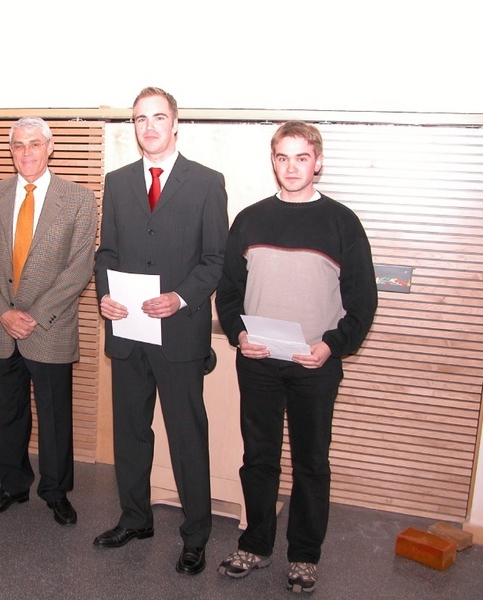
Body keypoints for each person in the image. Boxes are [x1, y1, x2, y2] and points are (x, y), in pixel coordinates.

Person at [215, 121, 377, 593]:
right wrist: (240, 335)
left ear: (317, 162)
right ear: (273, 162)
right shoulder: (248, 219)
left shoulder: (342, 222)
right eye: (283, 158)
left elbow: (363, 301)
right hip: (259, 361)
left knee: (311, 462)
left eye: (301, 158)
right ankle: (256, 544)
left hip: (315, 365)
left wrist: (332, 345)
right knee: (259, 458)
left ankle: (305, 554)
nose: (291, 167)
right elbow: (228, 293)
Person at [93, 87, 229, 575]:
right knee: (130, 433)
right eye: (139, 119)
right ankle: (135, 518)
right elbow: (106, 252)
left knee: (187, 437)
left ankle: (196, 536)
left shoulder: (207, 183)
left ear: (175, 124)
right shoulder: (117, 181)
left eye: (157, 117)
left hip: (179, 336)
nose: (148, 126)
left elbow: (217, 259)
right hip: (128, 331)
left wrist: (179, 297)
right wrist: (104, 293)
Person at [0, 117, 98, 526]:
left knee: (55, 416)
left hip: (51, 326)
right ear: (11, 151)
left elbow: (79, 268)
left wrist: (34, 316)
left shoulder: (78, 199)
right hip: (0, 327)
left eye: (35, 144)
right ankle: (12, 485)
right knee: (5, 413)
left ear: (50, 147)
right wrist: (3, 313)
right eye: (18, 145)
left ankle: (56, 491)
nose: (27, 153)